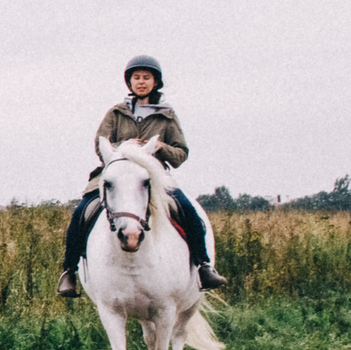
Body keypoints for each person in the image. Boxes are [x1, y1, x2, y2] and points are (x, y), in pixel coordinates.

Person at [57, 54, 227, 299]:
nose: (141, 82)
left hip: (153, 178)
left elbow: (181, 154)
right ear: (129, 82)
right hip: (115, 174)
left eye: (146, 78)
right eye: (136, 78)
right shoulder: (115, 113)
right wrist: (123, 146)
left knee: (188, 210)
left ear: (155, 83)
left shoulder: (166, 116)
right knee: (81, 212)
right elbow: (99, 145)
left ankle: (203, 266)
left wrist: (161, 148)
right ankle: (69, 271)